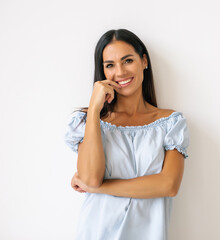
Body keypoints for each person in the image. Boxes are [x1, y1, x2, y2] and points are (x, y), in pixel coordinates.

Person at [64, 29, 189, 240]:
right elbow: (91, 179)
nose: (120, 72)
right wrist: (94, 109)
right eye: (110, 65)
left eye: (128, 60)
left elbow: (169, 185)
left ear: (144, 61)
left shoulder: (171, 123)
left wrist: (101, 188)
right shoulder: (89, 122)